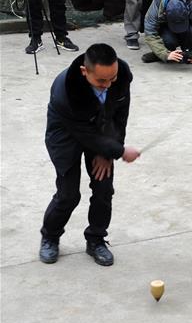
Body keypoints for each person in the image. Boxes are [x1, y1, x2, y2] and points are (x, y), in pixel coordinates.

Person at [39, 43, 140, 266]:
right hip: (66, 136)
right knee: (68, 194)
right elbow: (84, 133)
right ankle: (50, 236)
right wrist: (120, 151)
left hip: (102, 133)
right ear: (85, 72)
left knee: (104, 189)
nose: (108, 85)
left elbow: (119, 118)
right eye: (101, 81)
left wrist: (109, 153)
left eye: (111, 79)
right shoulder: (65, 90)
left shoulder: (120, 77)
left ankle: (96, 240)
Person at [140, 0, 192, 64]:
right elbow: (150, 33)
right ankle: (160, 53)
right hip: (166, 28)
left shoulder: (191, 3)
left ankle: (188, 52)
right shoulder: (155, 7)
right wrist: (164, 54)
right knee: (169, 40)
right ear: (165, 13)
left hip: (187, 27)